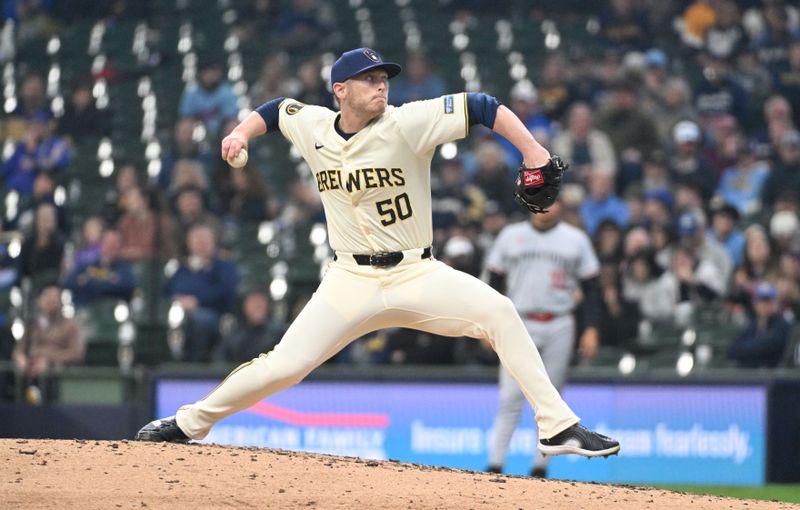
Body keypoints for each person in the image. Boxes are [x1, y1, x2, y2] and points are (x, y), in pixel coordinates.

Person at [136, 47, 620, 460]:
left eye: (383, 78)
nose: (381, 85)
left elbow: (483, 106)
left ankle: (556, 426)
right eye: (368, 79)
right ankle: (189, 424)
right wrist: (241, 133)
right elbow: (276, 109)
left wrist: (533, 152)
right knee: (282, 365)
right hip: (349, 281)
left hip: (416, 272)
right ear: (340, 90)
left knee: (498, 311)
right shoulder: (316, 126)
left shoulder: (408, 123)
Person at [484, 200, 602, 477]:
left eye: (551, 200)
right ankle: (494, 465)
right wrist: (487, 323)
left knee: (550, 399)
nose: (545, 206)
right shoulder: (510, 235)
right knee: (510, 398)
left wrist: (592, 328)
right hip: (517, 322)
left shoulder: (576, 240)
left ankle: (540, 467)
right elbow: (492, 282)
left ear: (561, 205)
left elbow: (592, 288)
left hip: (559, 322)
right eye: (540, 200)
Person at [165, 224, 239, 362]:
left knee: (201, 321)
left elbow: (225, 290)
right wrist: (178, 300)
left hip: (214, 313)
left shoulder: (224, 265)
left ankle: (195, 365)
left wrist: (196, 301)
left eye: (205, 241)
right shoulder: (182, 268)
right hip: (179, 313)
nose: (201, 245)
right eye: (197, 242)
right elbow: (169, 289)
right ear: (189, 245)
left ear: (213, 243)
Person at [12, 283, 85, 403]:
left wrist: (49, 361)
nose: (51, 300)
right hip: (30, 376)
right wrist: (22, 360)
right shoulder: (32, 324)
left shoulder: (70, 326)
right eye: (47, 296)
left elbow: (77, 353)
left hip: (59, 379)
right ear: (39, 300)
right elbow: (19, 350)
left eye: (55, 297)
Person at [64, 230, 136, 306]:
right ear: (101, 244)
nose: (112, 247)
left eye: (115, 244)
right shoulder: (87, 265)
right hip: (85, 308)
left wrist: (89, 282)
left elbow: (127, 286)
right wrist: (108, 282)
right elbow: (69, 282)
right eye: (109, 243)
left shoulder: (125, 269)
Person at [728, 282, 791, 368]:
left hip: (773, 376)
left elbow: (772, 347)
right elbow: (733, 349)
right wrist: (756, 346)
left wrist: (748, 347)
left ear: (775, 303)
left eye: (768, 302)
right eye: (761, 301)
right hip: (750, 375)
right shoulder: (753, 324)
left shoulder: (782, 324)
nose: (764, 305)